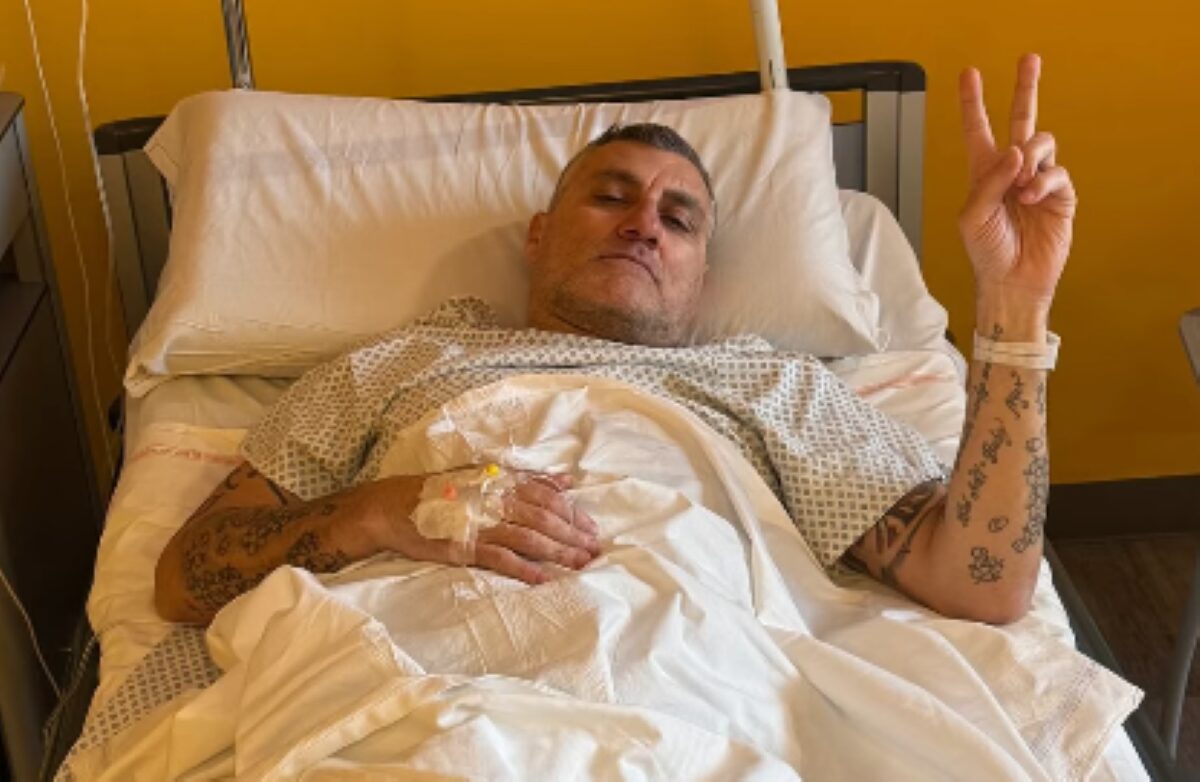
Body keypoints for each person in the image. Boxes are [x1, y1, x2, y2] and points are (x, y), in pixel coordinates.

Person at [155, 53, 1074, 628]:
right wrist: (379, 511)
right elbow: (184, 581)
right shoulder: (397, 365)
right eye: (610, 196)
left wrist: (1014, 306)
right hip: (405, 669)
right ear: (537, 235)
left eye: (679, 218)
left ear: (701, 275)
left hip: (698, 680)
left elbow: (981, 582)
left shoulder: (771, 386)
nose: (643, 224)